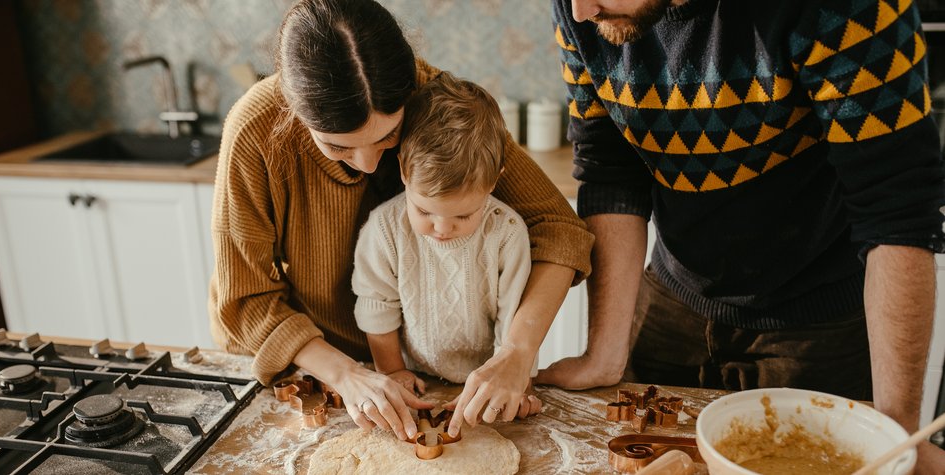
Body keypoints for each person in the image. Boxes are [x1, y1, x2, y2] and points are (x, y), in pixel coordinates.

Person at [535, 0, 945, 471]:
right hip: (670, 300)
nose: (581, 11)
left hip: (817, 320)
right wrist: (604, 353)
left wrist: (895, 438)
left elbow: (897, 211)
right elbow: (609, 168)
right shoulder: (585, 7)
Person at [208, 0, 592, 443]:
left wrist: (517, 352)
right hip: (309, 364)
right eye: (338, 147)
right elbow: (246, 299)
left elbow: (558, 228)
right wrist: (348, 375)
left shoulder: (437, 100)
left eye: (388, 136)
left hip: (412, 373)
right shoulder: (255, 129)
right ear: (296, 113)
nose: (369, 165)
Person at [352, 72, 542, 415]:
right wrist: (393, 371)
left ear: (493, 182)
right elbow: (376, 308)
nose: (441, 229)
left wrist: (518, 384)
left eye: (464, 216)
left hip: (487, 378)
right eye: (424, 210)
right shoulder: (383, 230)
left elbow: (513, 323)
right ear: (404, 172)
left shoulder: (507, 233)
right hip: (418, 375)